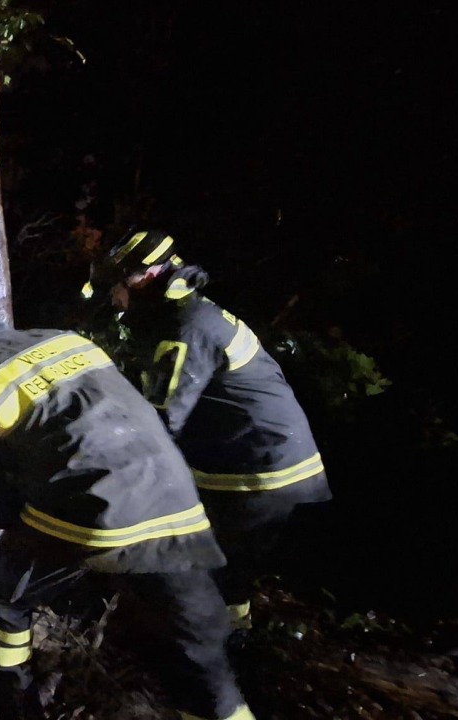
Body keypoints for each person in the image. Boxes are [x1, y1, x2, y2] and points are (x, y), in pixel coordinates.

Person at [0, 292, 254, 720]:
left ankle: (16, 702)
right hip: (174, 491)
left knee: (2, 589)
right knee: (198, 662)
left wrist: (29, 520)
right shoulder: (65, 340)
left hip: (99, 514)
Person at [91, 228, 332, 634]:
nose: (113, 296)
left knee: (214, 570)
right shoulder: (188, 314)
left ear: (145, 277)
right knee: (218, 565)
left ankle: (228, 653)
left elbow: (162, 422)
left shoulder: (185, 327)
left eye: (116, 285)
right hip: (259, 461)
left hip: (262, 472)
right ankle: (229, 640)